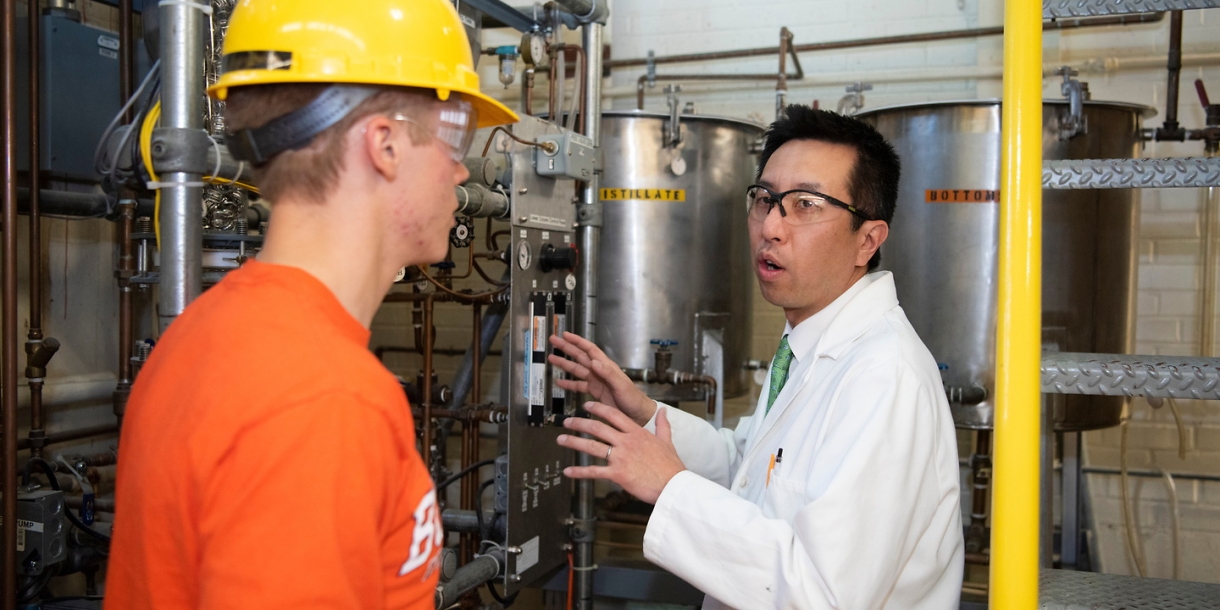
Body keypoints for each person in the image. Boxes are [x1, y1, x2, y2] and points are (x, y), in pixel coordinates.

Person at [105, 1, 517, 607]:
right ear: (386, 145)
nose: (460, 171)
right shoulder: (324, 403)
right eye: (454, 134)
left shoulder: (198, 336)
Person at [551, 106, 964, 609]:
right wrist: (645, 411)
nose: (771, 226)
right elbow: (749, 470)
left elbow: (824, 596)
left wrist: (670, 487)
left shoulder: (885, 379)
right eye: (765, 199)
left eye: (806, 204)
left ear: (868, 240)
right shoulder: (808, 343)